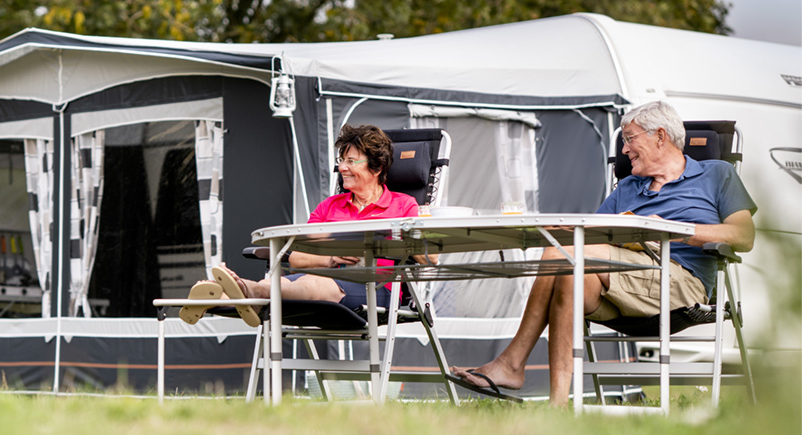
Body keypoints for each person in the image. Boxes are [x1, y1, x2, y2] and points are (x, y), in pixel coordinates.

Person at [449, 101, 757, 405]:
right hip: (626, 282)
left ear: (660, 136)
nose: (624, 150)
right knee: (567, 266)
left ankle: (512, 363)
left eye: (630, 138)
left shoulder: (717, 174)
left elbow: (744, 236)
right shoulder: (629, 187)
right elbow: (592, 235)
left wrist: (675, 229)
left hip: (680, 282)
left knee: (566, 254)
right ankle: (557, 408)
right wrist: (555, 230)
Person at [180, 124, 423, 327]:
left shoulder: (403, 206)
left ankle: (240, 291)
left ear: (377, 167)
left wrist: (413, 233)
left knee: (307, 284)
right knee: (278, 284)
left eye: (351, 161)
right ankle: (218, 296)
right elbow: (297, 258)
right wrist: (332, 258)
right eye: (341, 160)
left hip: (376, 289)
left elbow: (427, 257)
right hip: (316, 283)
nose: (342, 168)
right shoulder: (329, 207)